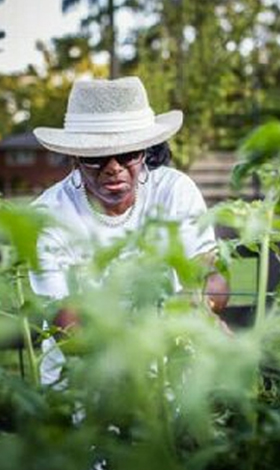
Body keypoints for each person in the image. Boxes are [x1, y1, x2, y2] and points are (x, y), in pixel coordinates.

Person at [29, 76, 229, 385]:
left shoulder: (175, 191)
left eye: (127, 154)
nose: (113, 167)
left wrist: (199, 304)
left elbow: (212, 277)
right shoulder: (48, 216)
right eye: (96, 157)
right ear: (75, 157)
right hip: (83, 387)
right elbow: (68, 327)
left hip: (173, 376)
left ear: (146, 150)